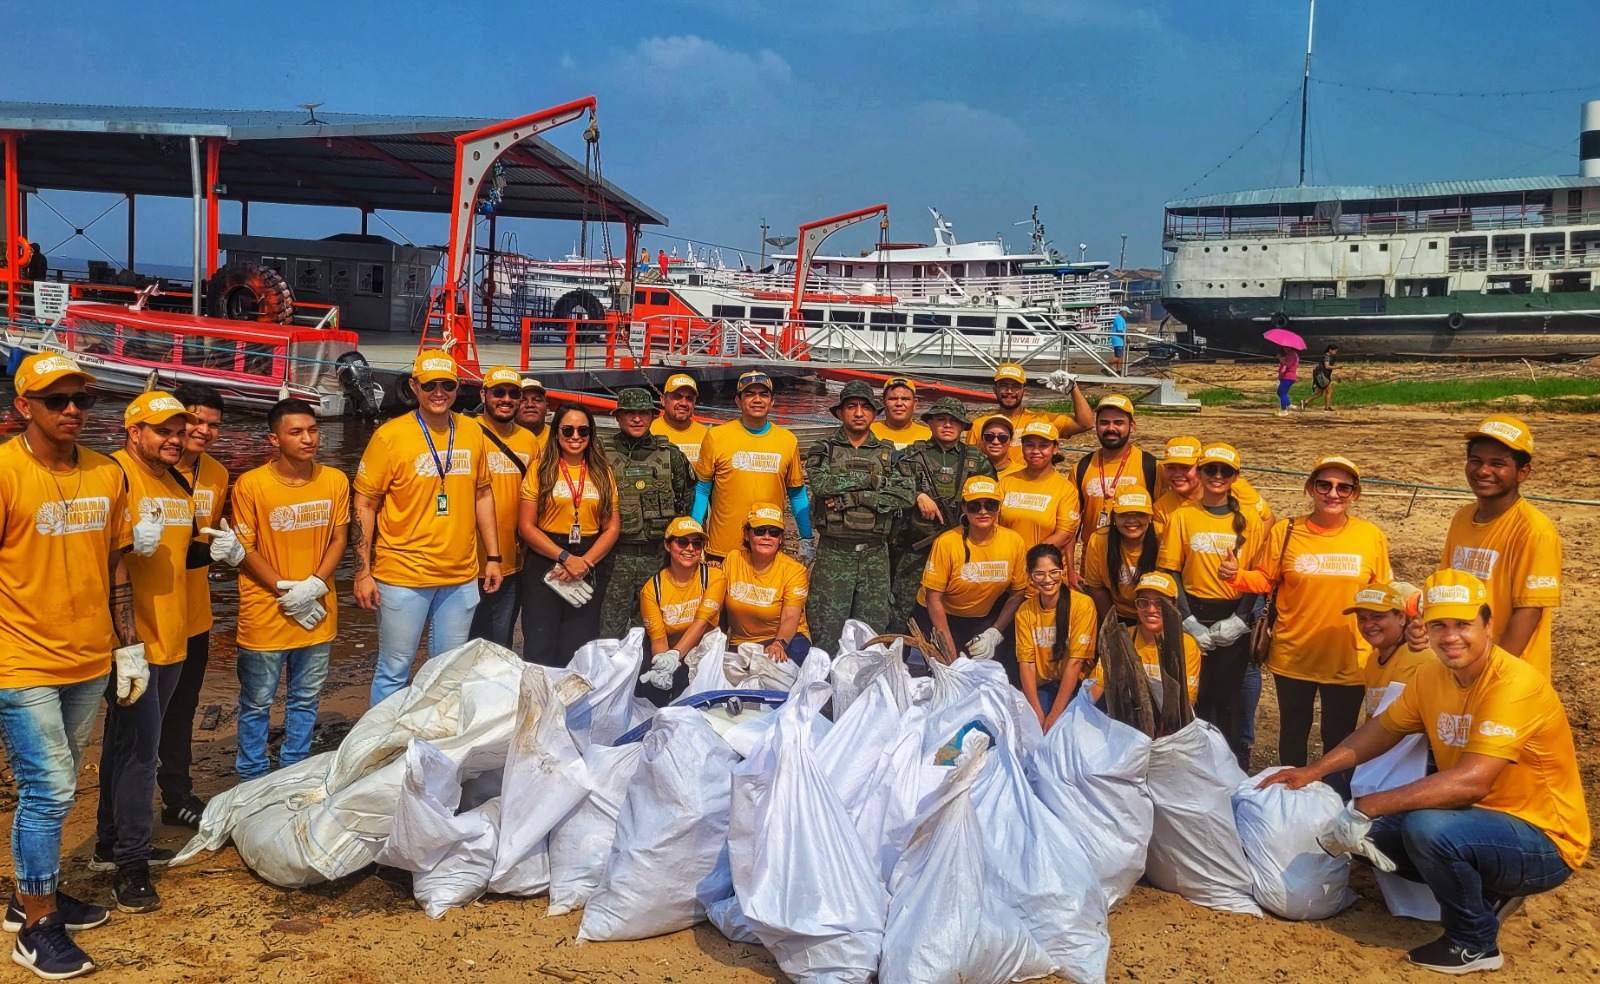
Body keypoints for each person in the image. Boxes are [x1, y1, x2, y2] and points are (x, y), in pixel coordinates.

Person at [1261, 570, 1590, 976]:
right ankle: (1490, 890)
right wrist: (1313, 771)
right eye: (1439, 626)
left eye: (1463, 624)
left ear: (1488, 625)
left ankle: (1474, 942)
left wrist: (1367, 805)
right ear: (1425, 629)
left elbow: (1472, 782)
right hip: (1480, 822)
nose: (1450, 637)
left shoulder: (1513, 684)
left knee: (1426, 829)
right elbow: (1382, 730)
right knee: (1371, 838)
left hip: (1544, 837)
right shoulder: (1432, 676)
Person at [0, 354, 137, 978]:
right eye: (56, 400)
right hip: (20, 659)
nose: (73, 410)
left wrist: (127, 643)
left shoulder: (107, 473)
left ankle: (30, 894)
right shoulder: (6, 472)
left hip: (88, 657)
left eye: (82, 399)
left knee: (59, 783)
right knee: (49, 789)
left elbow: (115, 561)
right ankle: (37, 927)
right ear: (23, 407)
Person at [1222, 454, 1392, 791]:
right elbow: (1266, 579)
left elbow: (1383, 591)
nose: (1333, 494)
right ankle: (1290, 803)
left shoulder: (1369, 535)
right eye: (1324, 485)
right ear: (1310, 488)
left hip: (1348, 657)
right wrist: (1235, 576)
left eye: (1343, 488)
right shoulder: (1286, 531)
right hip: (1293, 656)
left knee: (1338, 737)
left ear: (1355, 494)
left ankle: (1334, 800)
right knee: (1292, 735)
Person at [352, 351, 501, 705]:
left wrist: (494, 557)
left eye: (447, 385)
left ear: (457, 387)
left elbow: (482, 495)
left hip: (460, 575)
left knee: (449, 670)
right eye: (430, 385)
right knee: (394, 668)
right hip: (403, 575)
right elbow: (364, 505)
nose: (439, 393)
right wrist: (362, 572)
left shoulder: (472, 431)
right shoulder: (390, 436)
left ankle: (435, 734)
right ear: (414, 387)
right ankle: (384, 736)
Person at [98, 391, 198, 913]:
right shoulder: (113, 476)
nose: (175, 439)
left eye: (179, 431)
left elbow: (179, 555)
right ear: (133, 432)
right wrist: (126, 643)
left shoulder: (177, 481)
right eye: (163, 431)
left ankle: (109, 842)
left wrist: (224, 550)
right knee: (140, 752)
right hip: (133, 642)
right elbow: (85, 552)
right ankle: (131, 867)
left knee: (124, 745)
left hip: (173, 636)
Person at [224, 399, 349, 783]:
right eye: (296, 432)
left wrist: (314, 585)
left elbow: (339, 538)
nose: (308, 438)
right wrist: (283, 588)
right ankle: (252, 774)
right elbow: (244, 547)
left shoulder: (334, 480)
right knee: (257, 701)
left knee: (306, 698)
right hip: (265, 612)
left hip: (317, 611)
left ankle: (295, 766)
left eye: (312, 430)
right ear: (274, 439)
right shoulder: (251, 484)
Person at [1158, 443, 1264, 763]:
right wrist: (1187, 619)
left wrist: (1241, 619)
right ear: (1200, 473)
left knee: (1229, 698)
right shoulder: (1182, 516)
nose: (1217, 476)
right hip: (1194, 608)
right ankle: (1198, 761)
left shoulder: (1249, 519)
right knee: (1197, 693)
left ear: (1235, 477)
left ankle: (1233, 763)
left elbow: (1256, 573)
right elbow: (1171, 570)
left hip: (1232, 610)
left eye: (1225, 471)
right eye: (1210, 469)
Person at [1439, 415, 1561, 677]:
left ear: (1522, 472)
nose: (1483, 471)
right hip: (1462, 667)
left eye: (1497, 464)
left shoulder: (1533, 530)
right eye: (1475, 461)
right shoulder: (1462, 518)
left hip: (1509, 675)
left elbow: (1528, 612)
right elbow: (1446, 588)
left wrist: (1490, 672)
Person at [157, 382, 228, 831]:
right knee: (137, 717)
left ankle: (176, 795)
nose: (202, 431)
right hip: (148, 613)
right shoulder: (147, 470)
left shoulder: (217, 474)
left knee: (183, 708)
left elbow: (209, 538)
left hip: (195, 612)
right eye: (195, 421)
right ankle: (118, 816)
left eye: (213, 425)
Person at [805, 380, 914, 650]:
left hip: (874, 556)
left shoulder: (888, 453)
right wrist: (872, 480)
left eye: (865, 407)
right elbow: (821, 484)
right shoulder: (824, 448)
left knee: (872, 637)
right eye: (851, 406)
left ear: (874, 413)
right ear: (840, 412)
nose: (858, 412)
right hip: (834, 554)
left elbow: (905, 495)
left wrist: (859, 497)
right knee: (826, 633)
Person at [518, 403, 620, 666]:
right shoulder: (540, 469)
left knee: (578, 647)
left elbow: (611, 528)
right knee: (540, 644)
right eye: (568, 430)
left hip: (588, 559)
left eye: (583, 430)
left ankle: (573, 693)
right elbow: (526, 527)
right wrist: (565, 558)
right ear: (556, 432)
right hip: (546, 556)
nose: (576, 436)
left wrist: (583, 562)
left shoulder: (602, 472)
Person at [887, 397, 995, 632]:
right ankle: (898, 651)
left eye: (953, 420)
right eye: (941, 419)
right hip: (916, 547)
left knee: (954, 609)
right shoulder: (912, 455)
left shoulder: (976, 460)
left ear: (962, 425)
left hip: (961, 549)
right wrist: (916, 495)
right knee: (902, 610)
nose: (947, 425)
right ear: (930, 423)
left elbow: (991, 499)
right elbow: (891, 485)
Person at [692, 370, 810, 564]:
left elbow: (796, 493)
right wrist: (695, 533)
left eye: (763, 394)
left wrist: (806, 537)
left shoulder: (788, 441)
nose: (757, 400)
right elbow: (702, 489)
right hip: (722, 549)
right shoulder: (716, 436)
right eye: (749, 394)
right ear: (738, 402)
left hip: (767, 547)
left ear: (772, 402)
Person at [601, 389, 692, 639]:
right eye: (629, 413)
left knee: (654, 633)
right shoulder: (600, 454)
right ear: (618, 417)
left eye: (643, 413)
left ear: (653, 416)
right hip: (614, 561)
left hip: (658, 559)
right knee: (608, 635)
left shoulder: (671, 455)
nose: (636, 419)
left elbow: (686, 501)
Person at [913, 476, 1028, 674]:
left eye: (990, 505)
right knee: (946, 673)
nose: (983, 512)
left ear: (999, 507)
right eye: (974, 506)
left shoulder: (1014, 542)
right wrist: (948, 650)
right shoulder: (947, 543)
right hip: (939, 615)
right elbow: (933, 599)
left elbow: (1017, 593)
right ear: (964, 508)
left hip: (981, 617)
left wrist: (994, 632)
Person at [468, 367, 540, 648]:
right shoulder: (465, 432)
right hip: (466, 561)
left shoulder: (528, 440)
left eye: (513, 393)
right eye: (498, 392)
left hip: (512, 560)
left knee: (500, 642)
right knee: (462, 644)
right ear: (483, 395)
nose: (506, 399)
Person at [636, 517, 725, 705]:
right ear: (667, 546)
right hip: (669, 652)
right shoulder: (652, 590)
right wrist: (663, 664)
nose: (690, 548)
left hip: (702, 654)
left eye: (697, 543)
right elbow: (658, 639)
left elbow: (701, 624)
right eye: (682, 542)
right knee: (653, 690)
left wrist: (675, 656)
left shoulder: (715, 578)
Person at [1079, 571, 1202, 706]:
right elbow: (1098, 684)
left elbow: (1187, 702)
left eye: (1160, 603)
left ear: (1174, 605)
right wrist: (1083, 709)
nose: (1151, 609)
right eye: (1143, 602)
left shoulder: (1186, 645)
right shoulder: (1120, 637)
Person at [1014, 544, 1096, 731]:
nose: (1047, 580)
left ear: (1063, 571)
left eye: (1053, 572)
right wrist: (1037, 712)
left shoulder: (1082, 605)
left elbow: (1076, 662)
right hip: (1043, 688)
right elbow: (1026, 663)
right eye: (1039, 574)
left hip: (1075, 687)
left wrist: (1055, 714)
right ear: (1029, 576)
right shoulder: (1025, 611)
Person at [721, 503, 812, 662]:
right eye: (760, 531)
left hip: (786, 639)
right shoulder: (733, 560)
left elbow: (790, 616)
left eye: (774, 532)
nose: (767, 537)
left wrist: (779, 644)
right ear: (746, 535)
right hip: (742, 642)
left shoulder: (795, 571)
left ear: (781, 538)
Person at [965, 363, 1091, 468]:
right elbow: (969, 464)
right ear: (995, 390)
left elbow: (1085, 424)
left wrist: (1073, 388)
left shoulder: (1040, 420)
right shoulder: (979, 425)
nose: (1009, 391)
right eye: (1004, 386)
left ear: (1024, 391)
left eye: (1015, 386)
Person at [1073, 394, 1158, 543]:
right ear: (1096, 425)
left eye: (1118, 423)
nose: (1111, 428)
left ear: (1132, 426)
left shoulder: (1150, 466)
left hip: (1135, 554)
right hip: (1092, 554)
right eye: (1104, 422)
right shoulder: (1081, 467)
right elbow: (1070, 525)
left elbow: (1161, 519)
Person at [1344, 581, 1431, 721]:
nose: (1368, 625)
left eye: (1377, 617)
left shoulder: (1417, 657)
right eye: (1362, 619)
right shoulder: (1373, 659)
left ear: (1401, 617)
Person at [998, 420, 1081, 557]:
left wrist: (1029, 560)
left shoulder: (1066, 489)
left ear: (1055, 449)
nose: (1036, 451)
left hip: (1044, 565)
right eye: (1030, 445)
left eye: (1043, 446)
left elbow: (1064, 534)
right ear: (1022, 447)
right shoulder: (1005, 482)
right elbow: (993, 525)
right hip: (1008, 560)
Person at [1081, 489, 1160, 625]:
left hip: (1157, 614)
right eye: (1124, 515)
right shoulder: (1099, 540)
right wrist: (1114, 625)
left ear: (1150, 517)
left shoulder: (1164, 538)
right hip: (1117, 614)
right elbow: (1097, 588)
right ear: (1114, 518)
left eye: (1139, 514)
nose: (1132, 520)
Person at [649, 372, 710, 465]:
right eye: (677, 397)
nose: (683, 403)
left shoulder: (707, 435)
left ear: (694, 402)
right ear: (663, 400)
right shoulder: (649, 432)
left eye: (689, 398)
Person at [871, 376, 930, 450]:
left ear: (915, 404)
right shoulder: (868, 433)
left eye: (905, 399)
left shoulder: (929, 436)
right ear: (883, 403)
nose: (899, 403)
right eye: (893, 399)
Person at [516, 377, 550, 449]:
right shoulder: (501, 437)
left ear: (546, 408)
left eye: (537, 400)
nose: (530, 404)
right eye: (522, 400)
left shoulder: (558, 438)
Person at [1302, 344, 1337, 412]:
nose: (1335, 352)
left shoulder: (1327, 356)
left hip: (1324, 376)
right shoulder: (1326, 356)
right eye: (1334, 351)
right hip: (1323, 376)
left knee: (1320, 393)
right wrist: (1337, 367)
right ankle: (1326, 408)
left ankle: (1305, 402)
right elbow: (1327, 366)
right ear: (1330, 350)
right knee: (1329, 391)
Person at [1276, 345, 1300, 417]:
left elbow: (1289, 365)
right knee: (1280, 392)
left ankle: (1284, 410)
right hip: (1286, 376)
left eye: (1285, 347)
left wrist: (1281, 359)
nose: (1284, 349)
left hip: (1288, 377)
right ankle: (1289, 405)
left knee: (1282, 393)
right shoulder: (1290, 355)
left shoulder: (1292, 355)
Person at [1110, 306, 1129, 373]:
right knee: (1118, 356)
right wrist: (1126, 337)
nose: (1127, 315)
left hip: (1119, 341)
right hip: (1118, 340)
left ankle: (1118, 370)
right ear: (1123, 312)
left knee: (1119, 356)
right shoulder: (1119, 319)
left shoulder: (1120, 319)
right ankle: (1106, 367)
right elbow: (1120, 331)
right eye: (1127, 313)